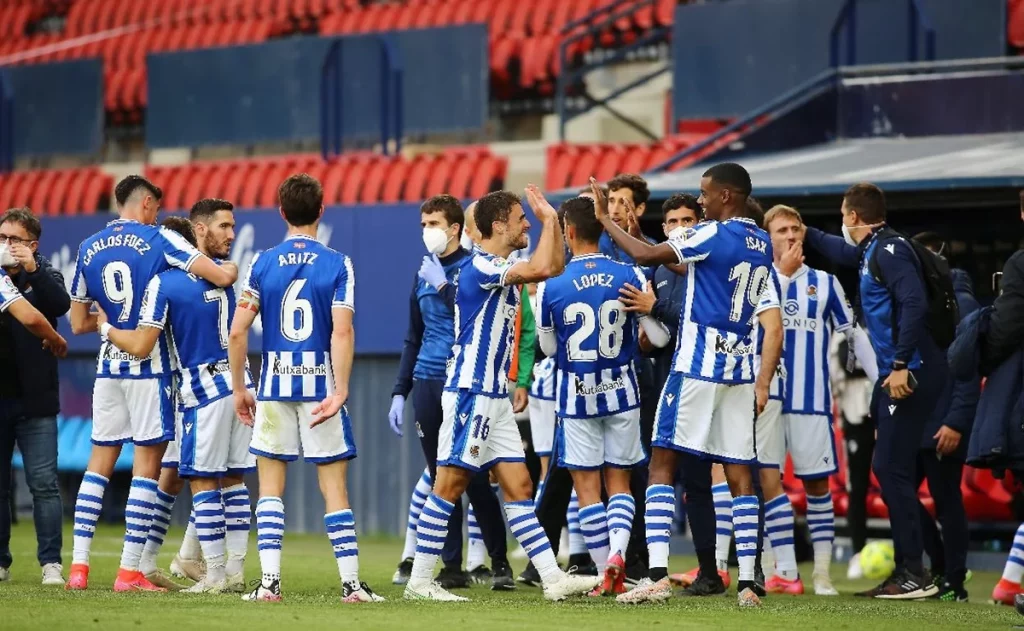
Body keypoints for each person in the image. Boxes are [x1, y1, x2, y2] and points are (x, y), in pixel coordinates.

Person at [593, 163, 783, 608]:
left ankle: (655, 576)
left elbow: (645, 257)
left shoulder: (712, 234)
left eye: (706, 193)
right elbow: (704, 273)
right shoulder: (760, 244)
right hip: (738, 371)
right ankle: (750, 583)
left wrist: (605, 220)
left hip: (697, 367)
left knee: (662, 462)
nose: (701, 201)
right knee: (740, 472)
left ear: (728, 197)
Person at [403, 187, 600, 602]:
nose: (525, 223)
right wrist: (550, 220)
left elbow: (554, 265)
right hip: (471, 393)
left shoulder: (499, 263)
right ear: (498, 226)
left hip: (494, 396)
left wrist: (549, 224)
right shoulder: (480, 267)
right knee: (451, 483)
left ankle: (552, 579)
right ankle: (421, 581)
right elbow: (545, 268)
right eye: (519, 218)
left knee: (519, 484)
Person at [66, 175, 237, 592]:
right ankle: (129, 572)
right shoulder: (160, 238)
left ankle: (78, 568)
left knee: (98, 464)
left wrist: (106, 324)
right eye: (156, 207)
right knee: (149, 468)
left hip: (109, 368)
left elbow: (76, 323)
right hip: (151, 368)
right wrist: (229, 269)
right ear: (145, 203)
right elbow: (217, 275)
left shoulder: (87, 247)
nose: (158, 214)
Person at [229, 173, 383, 603]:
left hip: (275, 386)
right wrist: (342, 389)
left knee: (271, 489)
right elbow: (342, 332)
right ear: (320, 209)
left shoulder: (261, 263)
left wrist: (241, 388)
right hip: (319, 389)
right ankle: (352, 586)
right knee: (334, 488)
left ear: (281, 212)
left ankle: (269, 585)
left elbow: (238, 332)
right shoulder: (338, 263)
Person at [99, 202, 256, 594]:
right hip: (241, 384)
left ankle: (215, 574)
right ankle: (233, 570)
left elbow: (140, 345)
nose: (231, 235)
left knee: (201, 480)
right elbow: (227, 277)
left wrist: (105, 327)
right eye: (226, 226)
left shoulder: (164, 283)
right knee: (234, 479)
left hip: (202, 390)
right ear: (199, 232)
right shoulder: (225, 276)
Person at [802, 182, 946, 599]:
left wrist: (900, 364)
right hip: (894, 375)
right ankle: (917, 569)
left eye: (843, 216)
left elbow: (914, 302)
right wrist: (804, 230)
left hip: (910, 371)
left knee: (890, 470)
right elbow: (842, 251)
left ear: (852, 216)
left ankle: (914, 574)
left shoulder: (889, 251)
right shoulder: (871, 250)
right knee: (889, 469)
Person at [536, 196, 670, 596]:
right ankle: (617, 556)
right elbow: (660, 339)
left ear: (569, 232)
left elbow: (546, 349)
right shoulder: (628, 272)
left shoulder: (552, 285)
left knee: (587, 487)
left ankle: (602, 572)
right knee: (621, 482)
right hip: (623, 394)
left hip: (576, 398)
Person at [388, 195, 511, 590]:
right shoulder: (420, 272)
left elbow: (470, 318)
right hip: (428, 381)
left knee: (473, 478)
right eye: (423, 224)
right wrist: (399, 391)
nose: (428, 231)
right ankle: (452, 566)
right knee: (442, 477)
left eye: (434, 224)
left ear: (456, 228)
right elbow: (413, 336)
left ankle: (499, 563)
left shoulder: (476, 268)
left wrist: (442, 287)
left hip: (465, 382)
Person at [618, 194, 729, 597]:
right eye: (673, 222)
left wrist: (656, 306)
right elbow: (654, 341)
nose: (680, 226)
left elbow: (702, 317)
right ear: (664, 229)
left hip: (704, 383)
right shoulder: (660, 270)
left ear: (699, 223)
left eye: (688, 219)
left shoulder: (709, 264)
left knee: (704, 480)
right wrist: (647, 321)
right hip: (664, 382)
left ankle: (719, 570)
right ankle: (654, 567)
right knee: (656, 475)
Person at [0, 208, 69, 586]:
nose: (7, 246)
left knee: (43, 484)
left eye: (15, 239)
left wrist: (34, 271)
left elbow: (59, 305)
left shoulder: (46, 273)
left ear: (32, 245)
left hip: (35, 399)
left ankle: (50, 564)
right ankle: (0, 561)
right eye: (2, 238)